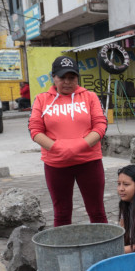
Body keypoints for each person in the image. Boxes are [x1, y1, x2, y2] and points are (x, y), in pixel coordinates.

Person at [28, 55, 108, 227]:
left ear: (77, 78)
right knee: (62, 214)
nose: (67, 82)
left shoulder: (90, 97)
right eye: (62, 77)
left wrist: (81, 145)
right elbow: (35, 130)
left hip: (89, 161)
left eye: (71, 77)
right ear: (53, 77)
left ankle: (104, 244)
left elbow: (101, 125)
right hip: (56, 164)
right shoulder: (41, 99)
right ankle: (63, 245)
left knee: (97, 211)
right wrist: (57, 147)